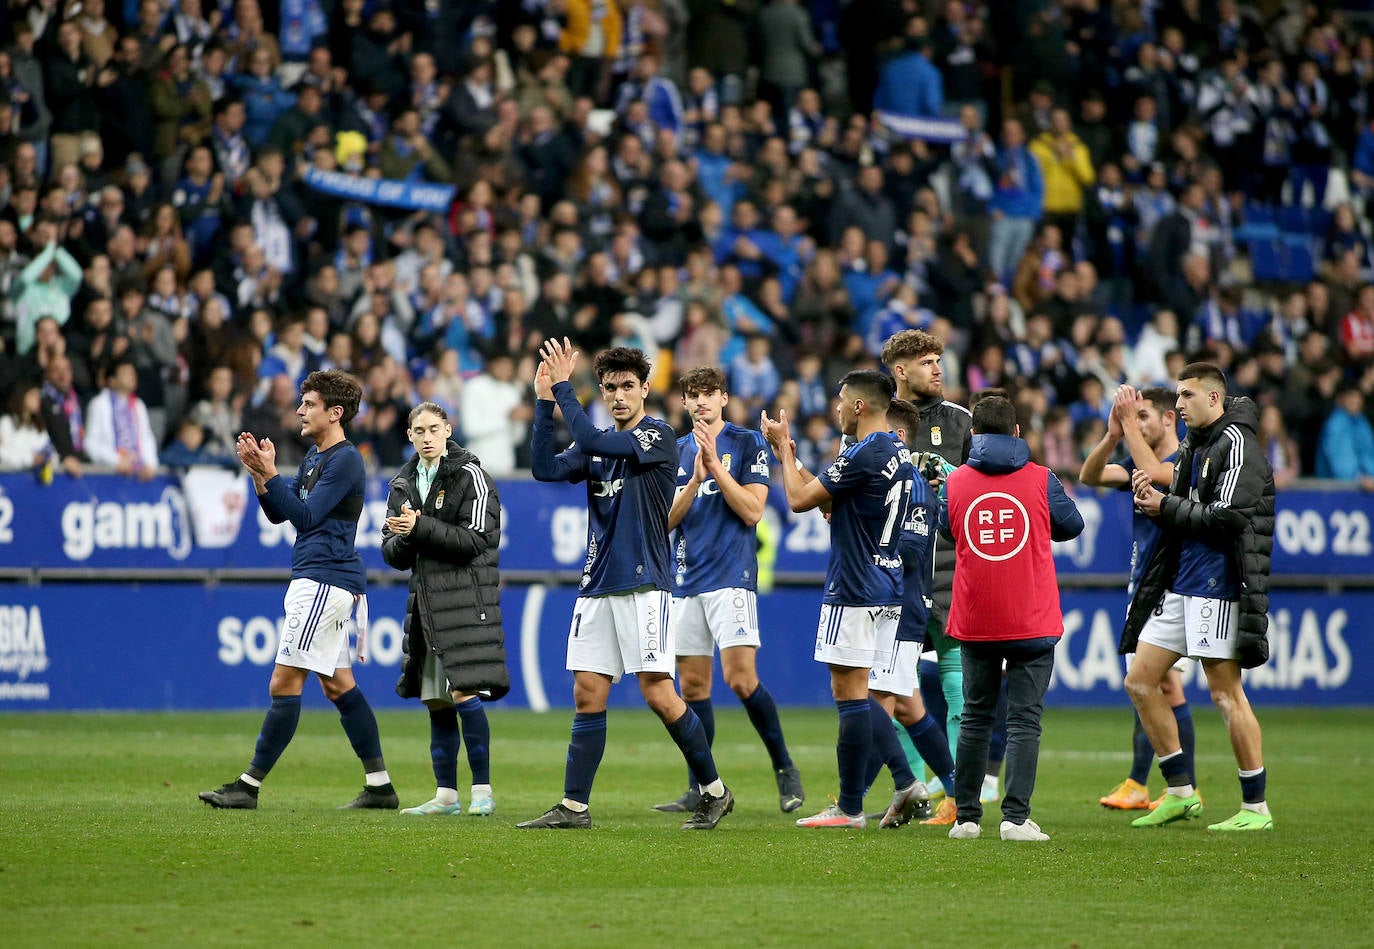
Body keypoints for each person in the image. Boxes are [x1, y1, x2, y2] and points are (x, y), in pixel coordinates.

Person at [519, 341, 733, 831]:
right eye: (610, 388)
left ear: (644, 390)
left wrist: (561, 387)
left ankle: (714, 791)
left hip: (644, 584)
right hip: (597, 584)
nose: (618, 396)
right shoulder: (594, 443)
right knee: (587, 692)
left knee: (658, 693)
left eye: (627, 387)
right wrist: (544, 404)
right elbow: (545, 468)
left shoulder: (656, 436)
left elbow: (594, 443)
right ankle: (574, 807)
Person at [200, 370, 398, 811]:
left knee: (283, 681)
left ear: (335, 412)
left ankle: (248, 786)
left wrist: (272, 473)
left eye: (308, 404)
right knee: (338, 685)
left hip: (326, 581)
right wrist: (260, 476)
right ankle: (381, 786)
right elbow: (279, 513)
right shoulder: (313, 457)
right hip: (318, 578)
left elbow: (306, 517)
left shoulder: (346, 459)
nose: (300, 411)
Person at [1123, 363, 1276, 832]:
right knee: (1140, 681)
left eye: (1187, 395)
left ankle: (1255, 808)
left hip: (1219, 585)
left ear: (1214, 399)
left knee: (1226, 693)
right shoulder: (1197, 444)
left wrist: (1165, 506)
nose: (1180, 404)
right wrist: (1149, 490)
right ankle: (1180, 792)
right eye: (1178, 395)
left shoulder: (1237, 444)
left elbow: (1228, 517)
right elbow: (1159, 475)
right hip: (1183, 583)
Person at [761, 370, 916, 829]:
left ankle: (870, 799)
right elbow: (831, 500)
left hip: (854, 584)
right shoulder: (896, 451)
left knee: (850, 695)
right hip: (888, 584)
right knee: (862, 693)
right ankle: (877, 794)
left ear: (860, 407)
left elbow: (797, 499)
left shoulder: (864, 451)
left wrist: (782, 454)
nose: (837, 408)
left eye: (842, 400)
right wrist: (791, 454)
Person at [651, 366, 804, 815]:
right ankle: (702, 786)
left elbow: (754, 511)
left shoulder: (745, 443)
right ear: (683, 403)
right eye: (692, 395)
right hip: (685, 583)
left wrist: (716, 468)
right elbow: (664, 522)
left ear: (723, 398)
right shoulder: (676, 451)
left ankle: (785, 769)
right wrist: (696, 478)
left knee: (740, 679)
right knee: (693, 685)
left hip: (731, 578)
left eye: (708, 394)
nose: (700, 402)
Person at [944, 395, 1084, 842]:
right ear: (1018, 433)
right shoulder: (1042, 479)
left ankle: (966, 818)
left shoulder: (956, 482)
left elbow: (949, 530)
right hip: (1031, 617)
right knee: (1024, 721)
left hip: (977, 618)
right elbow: (1073, 525)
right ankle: (1015, 820)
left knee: (974, 717)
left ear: (974, 436)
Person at [383, 402, 509, 817]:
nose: (427, 436)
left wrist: (418, 528)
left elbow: (476, 539)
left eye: (434, 428)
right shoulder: (402, 482)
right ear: (409, 435)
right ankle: (446, 795)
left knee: (464, 691)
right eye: (418, 430)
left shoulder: (471, 474)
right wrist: (403, 536)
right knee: (436, 699)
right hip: (426, 604)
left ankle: (483, 792)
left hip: (466, 600)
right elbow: (393, 554)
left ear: (448, 429)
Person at [880, 329, 987, 809]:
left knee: (954, 679)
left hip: (949, 569)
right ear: (900, 371)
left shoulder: (962, 421)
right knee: (895, 681)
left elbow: (986, 489)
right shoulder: (874, 419)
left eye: (939, 360)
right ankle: (915, 788)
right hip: (892, 570)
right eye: (927, 362)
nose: (938, 369)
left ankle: (963, 788)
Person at [1079, 385, 1198, 811]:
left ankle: (1171, 785)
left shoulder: (1185, 461)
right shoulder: (1137, 463)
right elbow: (1089, 476)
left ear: (1170, 418)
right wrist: (1112, 435)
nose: (1138, 422)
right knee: (1154, 685)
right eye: (1136, 416)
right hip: (1144, 586)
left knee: (1156, 683)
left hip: (1171, 586)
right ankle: (1163, 785)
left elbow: (1158, 474)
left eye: (1144, 415)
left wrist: (1126, 423)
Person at [874, 397, 959, 828]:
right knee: (904, 705)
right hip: (898, 598)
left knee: (871, 700)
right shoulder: (886, 470)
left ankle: (867, 797)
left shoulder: (913, 480)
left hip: (895, 601)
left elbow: (904, 548)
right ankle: (945, 789)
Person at [84, 358, 159, 480]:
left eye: (133, 373)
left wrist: (150, 464)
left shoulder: (138, 405)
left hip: (138, 476)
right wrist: (116, 460)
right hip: (108, 476)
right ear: (112, 381)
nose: (132, 377)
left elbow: (146, 438)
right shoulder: (99, 404)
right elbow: (90, 443)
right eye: (125, 373)